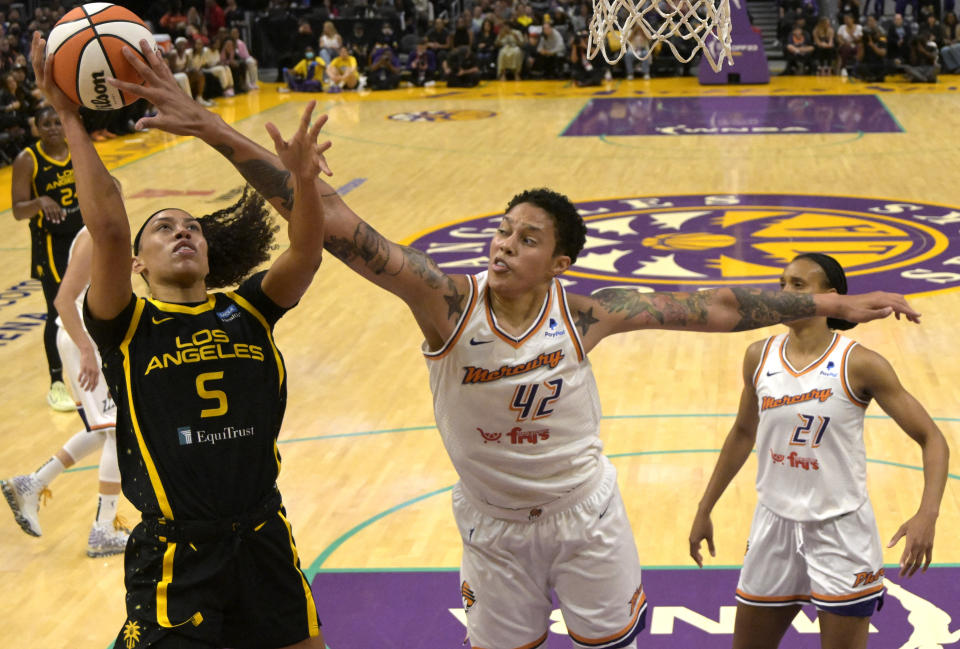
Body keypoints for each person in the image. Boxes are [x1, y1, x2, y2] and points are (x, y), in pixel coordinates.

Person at [107, 34, 921, 649]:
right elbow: (344, 228)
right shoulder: (445, 302)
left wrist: (832, 302)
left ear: (558, 262)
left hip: (584, 514)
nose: (502, 244)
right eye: (500, 230)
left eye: (525, 238)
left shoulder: (588, 311)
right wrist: (216, 128)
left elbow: (711, 306)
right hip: (493, 525)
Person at [32, 32, 329, 649]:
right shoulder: (127, 324)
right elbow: (109, 225)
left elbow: (305, 250)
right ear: (139, 264)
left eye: (191, 226)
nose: (183, 231)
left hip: (262, 534)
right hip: (177, 554)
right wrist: (67, 113)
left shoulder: (249, 308)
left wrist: (300, 183)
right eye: (164, 229)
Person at [688, 253, 948, 649]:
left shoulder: (860, 363)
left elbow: (933, 439)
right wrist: (705, 507)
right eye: (781, 284)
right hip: (773, 527)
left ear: (830, 297)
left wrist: (926, 515)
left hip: (840, 532)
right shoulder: (758, 356)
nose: (784, 294)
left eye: (798, 285)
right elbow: (743, 432)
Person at [1, 224, 130, 557]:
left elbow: (96, 283)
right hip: (82, 340)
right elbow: (63, 299)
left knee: (103, 429)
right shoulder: (91, 236)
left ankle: (33, 483)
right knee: (118, 430)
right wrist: (86, 350)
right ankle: (103, 529)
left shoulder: (102, 236)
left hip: (88, 339)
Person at [11, 105, 82, 411]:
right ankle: (56, 382)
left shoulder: (77, 148)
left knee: (90, 302)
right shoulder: (28, 160)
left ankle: (93, 367)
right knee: (57, 310)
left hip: (81, 236)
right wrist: (39, 201)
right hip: (50, 243)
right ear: (37, 129)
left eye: (57, 121)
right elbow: (17, 210)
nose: (54, 127)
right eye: (46, 124)